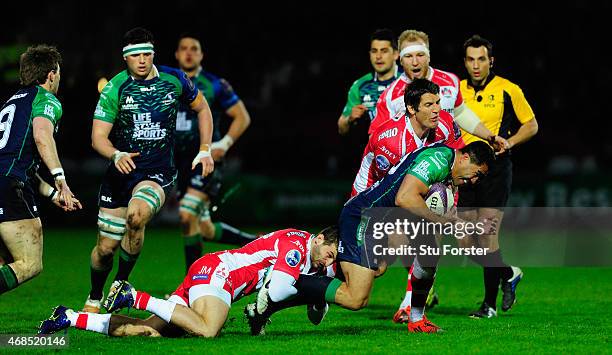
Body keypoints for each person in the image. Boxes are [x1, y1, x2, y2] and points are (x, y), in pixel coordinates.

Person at [248, 141, 495, 334]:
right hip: (365, 217)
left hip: (387, 222)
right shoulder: (437, 160)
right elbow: (404, 199)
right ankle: (286, 286)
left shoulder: (450, 179)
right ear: (464, 157)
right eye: (477, 174)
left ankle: (417, 319)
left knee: (413, 259)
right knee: (356, 298)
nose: (474, 181)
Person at [83, 27, 215, 313]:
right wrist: (115, 153)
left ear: (153, 54)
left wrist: (205, 148)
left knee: (136, 215)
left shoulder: (174, 79)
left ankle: (120, 284)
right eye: (135, 55)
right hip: (119, 175)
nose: (142, 60)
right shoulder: (115, 87)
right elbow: (98, 138)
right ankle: (94, 295)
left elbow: (202, 109)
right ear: (125, 58)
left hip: (156, 174)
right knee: (105, 250)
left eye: (147, 54)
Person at [39, 227, 339, 338]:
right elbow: (278, 290)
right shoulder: (297, 244)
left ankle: (69, 317)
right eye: (328, 253)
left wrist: (319, 293)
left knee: (149, 330)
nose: (327, 261)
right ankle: (134, 295)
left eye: (332, 260)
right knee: (208, 329)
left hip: (211, 272)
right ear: (320, 238)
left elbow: (315, 318)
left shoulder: (311, 258)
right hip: (220, 274)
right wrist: (315, 290)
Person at [457, 35, 538, 318]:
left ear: (491, 61)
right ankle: (509, 273)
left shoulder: (508, 89)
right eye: (470, 59)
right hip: (464, 173)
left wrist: (511, 142)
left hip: (495, 170)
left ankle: (488, 305)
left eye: (481, 59)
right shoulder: (455, 90)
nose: (476, 65)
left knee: (487, 237)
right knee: (466, 243)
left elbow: (532, 125)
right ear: (465, 62)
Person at [0, 45, 81, 295]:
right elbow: (42, 136)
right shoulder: (45, 99)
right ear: (51, 74)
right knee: (29, 263)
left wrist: (53, 195)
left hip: (6, 178)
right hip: (7, 186)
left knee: (4, 263)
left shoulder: (11, 102)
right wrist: (60, 179)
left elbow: (18, 160)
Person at [174, 34, 254, 271]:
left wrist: (224, 144)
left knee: (187, 216)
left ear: (201, 55)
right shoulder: (167, 83)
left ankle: (191, 283)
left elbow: (242, 116)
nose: (189, 52)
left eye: (194, 49)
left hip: (205, 160)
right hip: (179, 164)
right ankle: (255, 243)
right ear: (177, 55)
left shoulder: (214, 84)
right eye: (184, 48)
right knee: (205, 229)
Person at [351, 78, 463, 197]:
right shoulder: (392, 143)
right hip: (370, 194)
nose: (436, 110)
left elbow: (456, 159)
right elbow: (389, 190)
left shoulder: (445, 122)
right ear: (411, 108)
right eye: (429, 105)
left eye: (438, 102)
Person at [337, 29, 400, 135]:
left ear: (396, 54)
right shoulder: (360, 85)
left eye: (384, 51)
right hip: (371, 149)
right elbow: (341, 129)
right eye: (374, 51)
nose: (378, 56)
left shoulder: (408, 81)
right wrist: (350, 119)